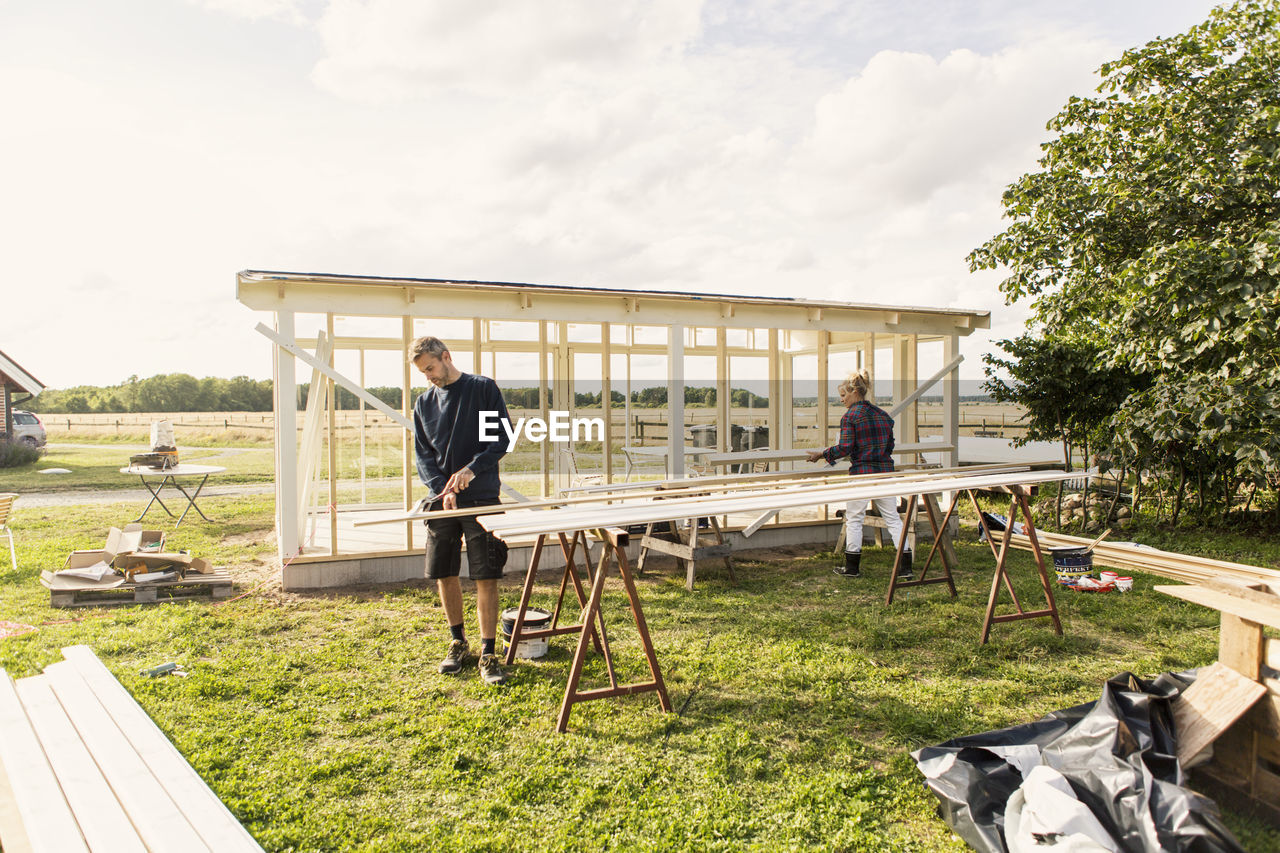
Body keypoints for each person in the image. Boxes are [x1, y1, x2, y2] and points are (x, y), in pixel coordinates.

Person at [410, 335, 511, 685]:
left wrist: (472, 469)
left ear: (446, 356)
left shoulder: (482, 389)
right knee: (444, 571)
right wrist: (442, 489)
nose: (429, 377)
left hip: (481, 496)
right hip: (442, 502)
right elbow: (423, 455)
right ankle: (457, 642)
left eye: (431, 368)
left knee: (486, 573)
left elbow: (501, 439)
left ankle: (488, 651)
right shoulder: (424, 404)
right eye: (423, 372)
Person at [806, 369, 912, 580]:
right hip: (884, 473)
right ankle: (906, 567)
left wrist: (822, 454)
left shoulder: (850, 417)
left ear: (855, 392)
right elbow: (890, 446)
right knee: (893, 519)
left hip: (862, 473)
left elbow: (845, 448)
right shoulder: (883, 416)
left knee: (854, 519)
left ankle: (852, 567)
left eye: (844, 395)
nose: (842, 400)